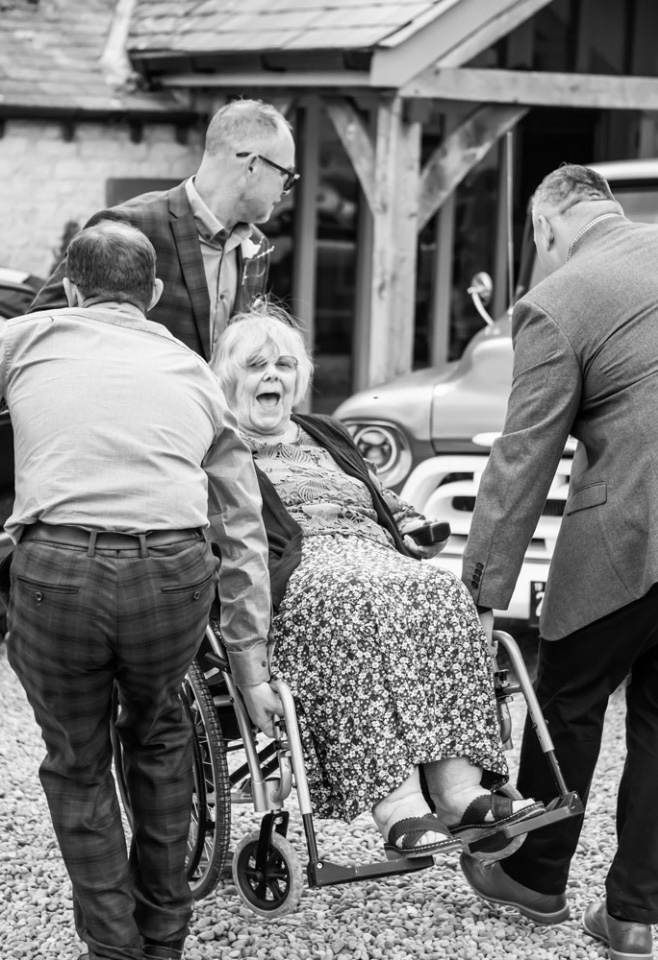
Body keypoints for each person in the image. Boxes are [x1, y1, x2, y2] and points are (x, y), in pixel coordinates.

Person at [1, 220, 276, 960]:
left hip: (56, 574)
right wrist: (249, 662)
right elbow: (243, 524)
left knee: (77, 762)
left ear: (65, 288)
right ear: (153, 294)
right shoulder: (191, 371)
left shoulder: (25, 339)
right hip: (172, 576)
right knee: (158, 740)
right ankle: (164, 938)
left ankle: (114, 948)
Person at [214, 305, 546, 859]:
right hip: (299, 567)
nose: (272, 375)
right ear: (227, 378)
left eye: (284, 365)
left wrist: (415, 524)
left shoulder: (324, 432)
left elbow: (382, 498)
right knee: (355, 597)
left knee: (442, 595)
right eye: (255, 365)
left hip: (371, 551)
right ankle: (397, 803)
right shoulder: (221, 447)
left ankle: (458, 789)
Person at [459, 163, 658, 960]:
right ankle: (635, 916)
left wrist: (479, 592)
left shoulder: (558, 300)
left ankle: (537, 876)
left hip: (631, 533)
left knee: (568, 698)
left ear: (546, 228)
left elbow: (522, 461)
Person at [28, 98, 298, 374]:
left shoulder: (257, 246)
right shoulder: (129, 226)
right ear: (252, 165)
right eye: (287, 176)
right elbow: (40, 328)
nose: (287, 190)